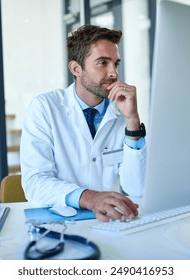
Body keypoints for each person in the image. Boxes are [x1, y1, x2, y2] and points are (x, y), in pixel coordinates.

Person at [20, 24, 146, 222]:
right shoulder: (45, 107)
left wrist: (133, 121)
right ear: (76, 68)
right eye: (103, 63)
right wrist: (90, 198)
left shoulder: (122, 112)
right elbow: (35, 182)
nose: (113, 73)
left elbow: (137, 188)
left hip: (111, 223)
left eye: (116, 63)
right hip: (60, 225)